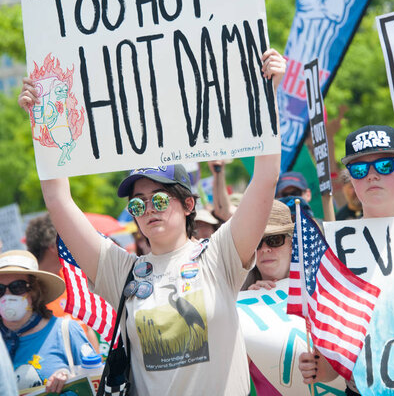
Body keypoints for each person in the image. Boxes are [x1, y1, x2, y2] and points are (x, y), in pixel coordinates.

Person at [18, 47, 286, 396]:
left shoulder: (220, 255)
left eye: (160, 199)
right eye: (137, 205)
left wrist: (269, 95)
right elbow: (57, 199)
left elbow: (265, 178)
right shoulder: (121, 271)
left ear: (189, 204)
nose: (149, 209)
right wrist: (43, 121)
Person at [299, 124, 394, 396]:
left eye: (386, 165)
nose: (372, 176)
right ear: (351, 180)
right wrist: (317, 367)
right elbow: (334, 364)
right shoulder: (335, 251)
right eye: (359, 170)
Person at [0, 250, 92, 394]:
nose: (7, 295)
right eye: (0, 289)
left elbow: (95, 381)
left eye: (17, 287)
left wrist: (71, 380)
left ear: (34, 291)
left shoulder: (65, 331)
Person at [25, 213, 100, 352]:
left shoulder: (73, 276)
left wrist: (99, 368)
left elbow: (87, 328)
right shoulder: (28, 288)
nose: (75, 243)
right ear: (53, 245)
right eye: (68, 238)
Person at [241, 200, 294, 395]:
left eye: (274, 239)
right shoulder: (239, 305)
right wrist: (248, 312)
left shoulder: (320, 295)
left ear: (291, 243)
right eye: (257, 242)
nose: (264, 249)